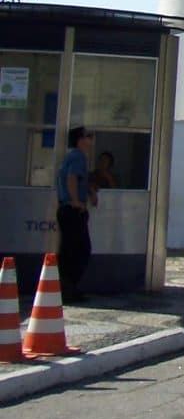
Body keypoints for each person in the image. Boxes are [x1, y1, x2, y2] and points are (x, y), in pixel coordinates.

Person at [55, 126, 95, 303]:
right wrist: (76, 201)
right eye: (88, 136)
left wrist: (90, 191)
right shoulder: (78, 156)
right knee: (80, 250)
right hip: (72, 210)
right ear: (80, 140)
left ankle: (66, 288)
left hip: (66, 208)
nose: (91, 139)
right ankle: (68, 288)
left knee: (69, 250)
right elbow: (72, 178)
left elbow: (78, 180)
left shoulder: (71, 156)